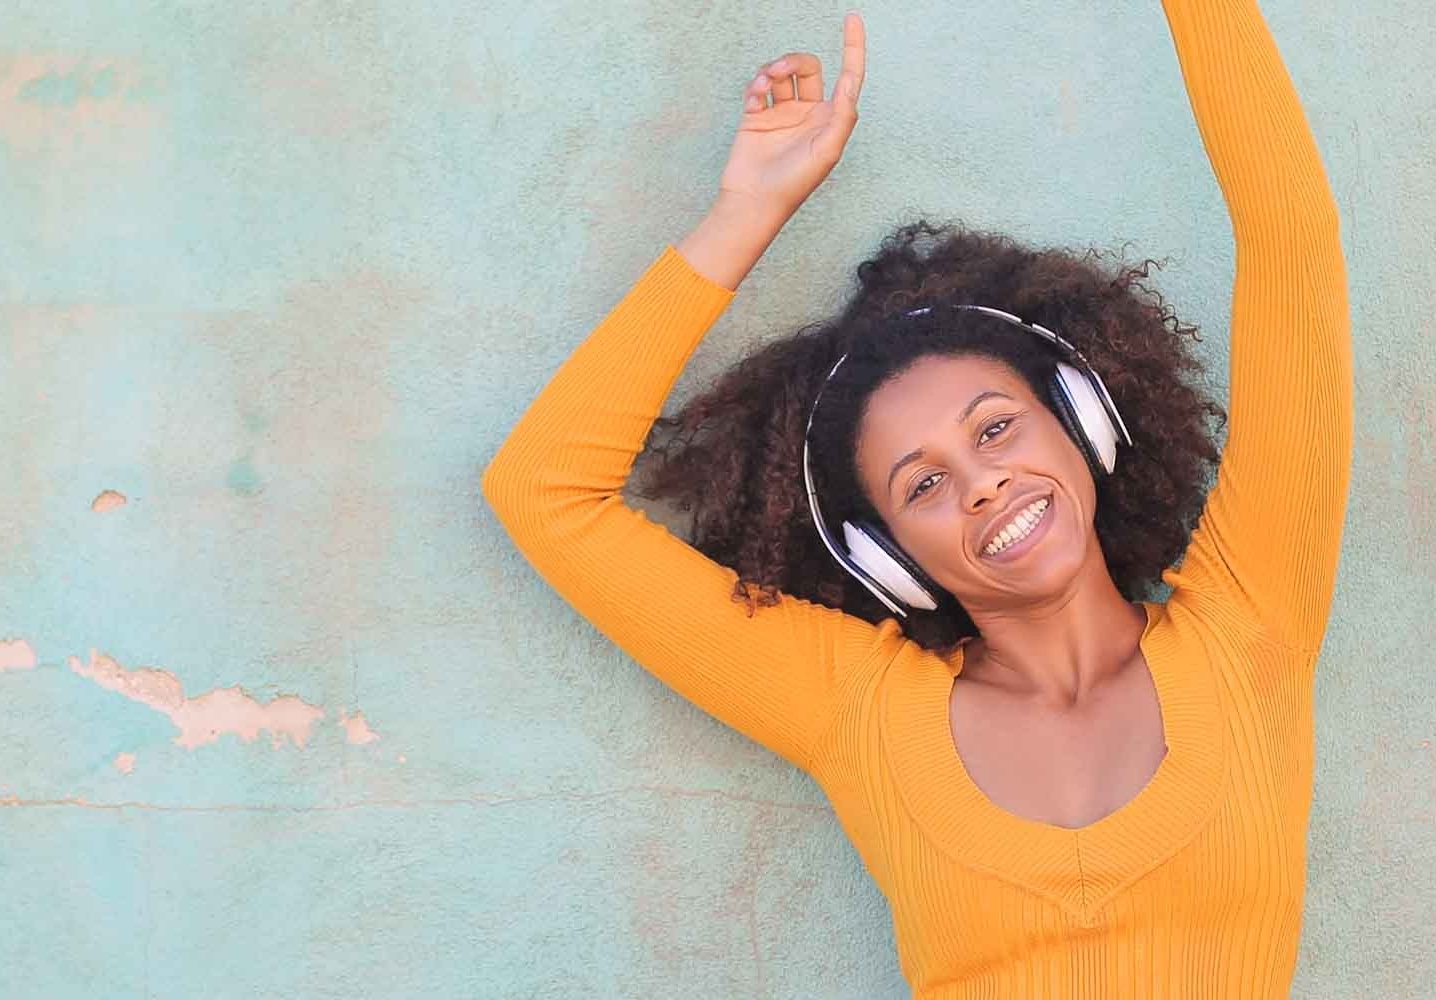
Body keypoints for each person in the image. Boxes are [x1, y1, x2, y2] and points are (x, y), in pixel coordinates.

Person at [480, 0, 1348, 991]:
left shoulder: (1252, 616)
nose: (984, 484)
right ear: (882, 551)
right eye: (925, 483)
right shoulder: (862, 709)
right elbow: (543, 490)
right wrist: (747, 211)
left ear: (1080, 421)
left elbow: (1294, 241)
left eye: (996, 427)